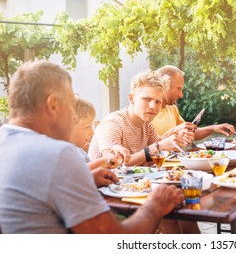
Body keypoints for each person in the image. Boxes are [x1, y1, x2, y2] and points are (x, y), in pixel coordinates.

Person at [0, 60, 185, 234]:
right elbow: (114, 239)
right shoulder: (58, 155)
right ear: (53, 105)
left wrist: (84, 178)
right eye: (71, 104)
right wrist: (155, 206)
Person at [88, 70, 193, 166]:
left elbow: (155, 155)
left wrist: (177, 139)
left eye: (158, 102)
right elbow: (115, 163)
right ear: (131, 98)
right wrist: (158, 146)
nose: (153, 106)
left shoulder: (146, 124)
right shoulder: (112, 123)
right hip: (102, 185)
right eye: (147, 99)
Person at [152, 65, 235, 140]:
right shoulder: (147, 113)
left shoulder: (172, 109)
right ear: (164, 85)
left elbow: (190, 133)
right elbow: (147, 149)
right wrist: (173, 131)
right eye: (178, 89)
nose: (181, 95)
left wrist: (213, 128)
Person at [70, 95, 124, 171]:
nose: (92, 133)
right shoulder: (64, 153)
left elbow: (92, 171)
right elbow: (77, 172)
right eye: (87, 126)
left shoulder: (80, 152)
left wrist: (111, 159)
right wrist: (103, 161)